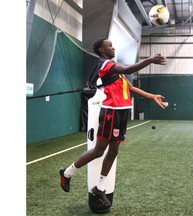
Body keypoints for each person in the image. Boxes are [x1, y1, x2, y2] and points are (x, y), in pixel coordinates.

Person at [59, 37, 167, 209]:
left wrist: (152, 96)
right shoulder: (104, 65)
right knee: (98, 151)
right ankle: (67, 173)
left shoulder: (118, 73)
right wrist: (150, 59)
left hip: (122, 113)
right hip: (111, 113)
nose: (113, 47)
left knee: (114, 151)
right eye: (109, 45)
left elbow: (130, 89)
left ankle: (100, 188)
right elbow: (130, 68)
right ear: (102, 50)